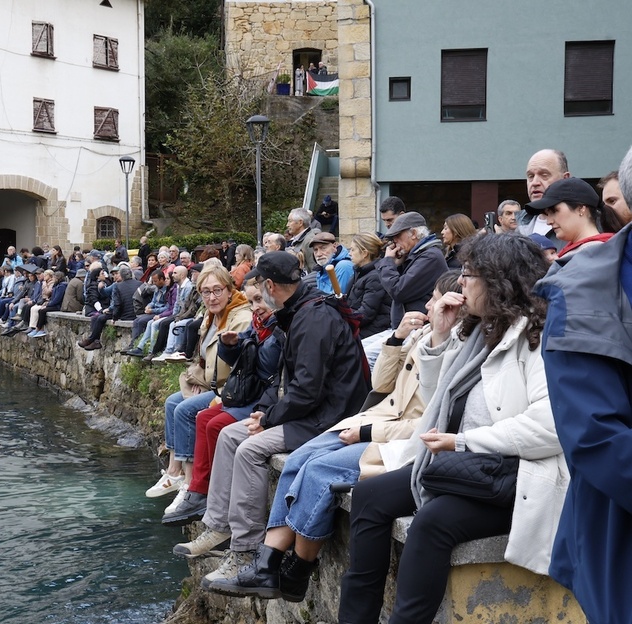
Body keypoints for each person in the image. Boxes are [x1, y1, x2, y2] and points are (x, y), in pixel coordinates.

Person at [338, 234, 566, 624]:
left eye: (469, 274)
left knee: (432, 523)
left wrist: (464, 442)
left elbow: (551, 426)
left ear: (499, 281)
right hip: (464, 464)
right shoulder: (479, 330)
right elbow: (437, 402)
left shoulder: (536, 337)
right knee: (370, 494)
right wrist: (440, 336)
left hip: (512, 475)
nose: (460, 282)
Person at [207, 271, 462, 602]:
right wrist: (398, 338)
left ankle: (297, 568)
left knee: (319, 470)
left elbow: (429, 422)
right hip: (374, 418)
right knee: (298, 459)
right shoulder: (425, 334)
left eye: (435, 299)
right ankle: (266, 564)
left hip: (395, 437)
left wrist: (365, 431)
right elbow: (382, 385)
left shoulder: (459, 349)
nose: (428, 305)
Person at [172, 252, 370, 588]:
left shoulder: (312, 318)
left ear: (269, 285)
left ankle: (246, 550)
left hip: (330, 418)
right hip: (315, 410)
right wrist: (264, 413)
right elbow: (282, 379)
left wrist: (268, 418)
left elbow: (307, 390)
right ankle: (219, 525)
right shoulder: (299, 311)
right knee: (230, 434)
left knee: (249, 449)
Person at [534, 147, 632, 623]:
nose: (549, 220)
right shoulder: (581, 283)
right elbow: (594, 434)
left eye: (555, 210)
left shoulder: (584, 274)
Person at [161, 277, 282, 525]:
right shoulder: (258, 324)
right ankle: (197, 487)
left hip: (260, 397)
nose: (255, 307)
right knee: (203, 417)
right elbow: (232, 358)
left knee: (213, 423)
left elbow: (267, 368)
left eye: (259, 300)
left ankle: (208, 495)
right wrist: (230, 345)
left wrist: (244, 346)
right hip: (246, 391)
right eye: (251, 301)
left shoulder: (276, 328)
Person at [146, 265, 252, 500]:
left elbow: (240, 366)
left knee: (185, 410)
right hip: (212, 383)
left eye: (217, 290)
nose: (211, 297)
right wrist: (201, 379)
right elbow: (205, 358)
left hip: (231, 389)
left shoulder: (240, 317)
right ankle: (175, 472)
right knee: (172, 402)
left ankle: (189, 481)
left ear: (228, 289)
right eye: (206, 292)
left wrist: (213, 392)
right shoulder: (211, 315)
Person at [377, 211, 448, 328]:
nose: (394, 241)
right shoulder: (418, 255)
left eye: (397, 236)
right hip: (407, 327)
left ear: (414, 233)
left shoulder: (430, 257)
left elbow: (398, 291)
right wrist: (398, 264)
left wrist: (388, 261)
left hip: (418, 328)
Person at [524, 177, 613, 259]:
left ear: (581, 208)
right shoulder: (585, 251)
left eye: (555, 211)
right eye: (547, 214)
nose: (549, 221)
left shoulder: (594, 253)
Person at [76, 264, 141, 350]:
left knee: (100, 318)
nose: (114, 276)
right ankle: (95, 341)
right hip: (124, 311)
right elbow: (105, 293)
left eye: (116, 274)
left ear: (122, 275)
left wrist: (113, 315)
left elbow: (117, 304)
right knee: (96, 318)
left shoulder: (117, 285)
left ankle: (91, 340)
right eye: (113, 274)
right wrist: (101, 289)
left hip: (122, 312)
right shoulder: (117, 284)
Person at [518, 149, 570, 251]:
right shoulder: (518, 225)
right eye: (531, 176)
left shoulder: (587, 225)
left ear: (565, 179)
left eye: (544, 175)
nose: (535, 182)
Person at [346, 232, 392, 338]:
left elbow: (367, 313)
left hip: (372, 331)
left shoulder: (374, 276)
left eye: (353, 249)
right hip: (359, 327)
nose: (349, 253)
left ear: (365, 253)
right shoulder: (359, 272)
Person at [285, 208, 320, 272]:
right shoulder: (299, 239)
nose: (287, 225)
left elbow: (314, 270)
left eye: (290, 221)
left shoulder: (309, 241)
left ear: (300, 223)